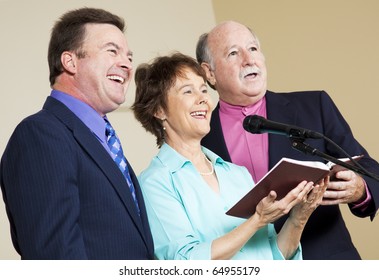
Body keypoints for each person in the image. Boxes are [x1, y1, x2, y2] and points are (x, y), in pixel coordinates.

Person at [196, 20, 379, 259]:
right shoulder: (200, 136)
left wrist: (359, 188)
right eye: (233, 53)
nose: (249, 60)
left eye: (253, 49)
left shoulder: (314, 106)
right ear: (209, 72)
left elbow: (367, 168)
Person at [132, 52, 327, 260]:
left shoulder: (237, 173)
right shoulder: (155, 182)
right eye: (188, 91)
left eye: (204, 90)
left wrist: (299, 217)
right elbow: (185, 263)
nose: (203, 100)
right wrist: (257, 220)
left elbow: (274, 256)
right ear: (159, 110)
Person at [0, 7, 154, 259]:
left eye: (128, 55)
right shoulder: (40, 135)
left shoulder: (105, 141)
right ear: (70, 61)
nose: (126, 64)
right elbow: (53, 255)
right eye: (112, 51)